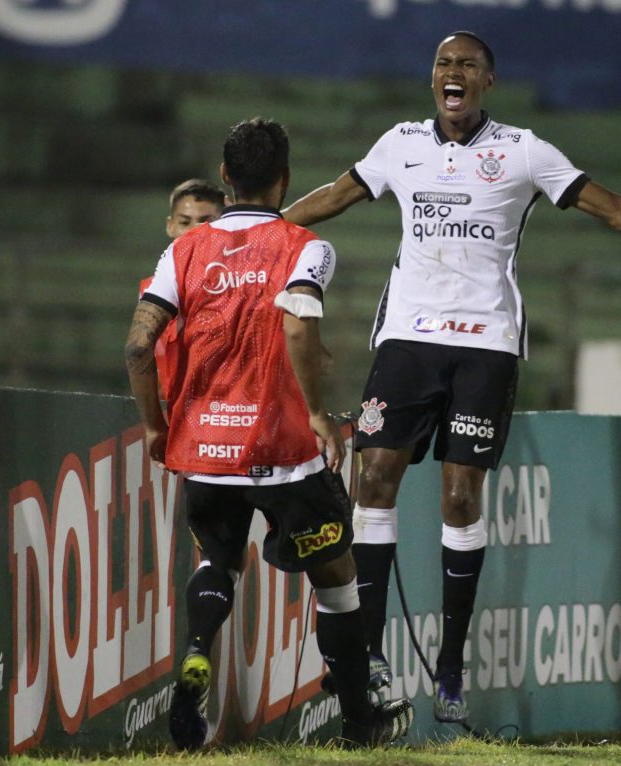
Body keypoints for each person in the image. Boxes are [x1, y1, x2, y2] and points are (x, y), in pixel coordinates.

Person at [282, 30, 621, 724]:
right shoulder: (399, 144)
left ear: (488, 81)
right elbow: (337, 196)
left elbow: (616, 210)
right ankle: (367, 658)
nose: (452, 73)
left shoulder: (523, 151)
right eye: (442, 64)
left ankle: (451, 664)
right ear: (433, 79)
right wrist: (253, 231)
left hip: (485, 342)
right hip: (408, 339)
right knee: (373, 481)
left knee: (460, 497)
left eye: (466, 65)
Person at [125, 118, 413, 750]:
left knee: (216, 561)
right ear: (284, 179)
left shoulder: (183, 249)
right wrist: (315, 413)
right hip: (282, 450)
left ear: (225, 179)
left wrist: (154, 423)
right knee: (336, 578)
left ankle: (198, 651)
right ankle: (361, 725)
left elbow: (139, 344)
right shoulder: (306, 246)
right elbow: (299, 322)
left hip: (205, 449)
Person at [138, 179, 227, 404]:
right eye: (185, 222)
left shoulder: (238, 283)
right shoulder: (150, 289)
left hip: (221, 410)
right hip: (171, 411)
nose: (195, 231)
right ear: (170, 226)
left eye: (206, 221)